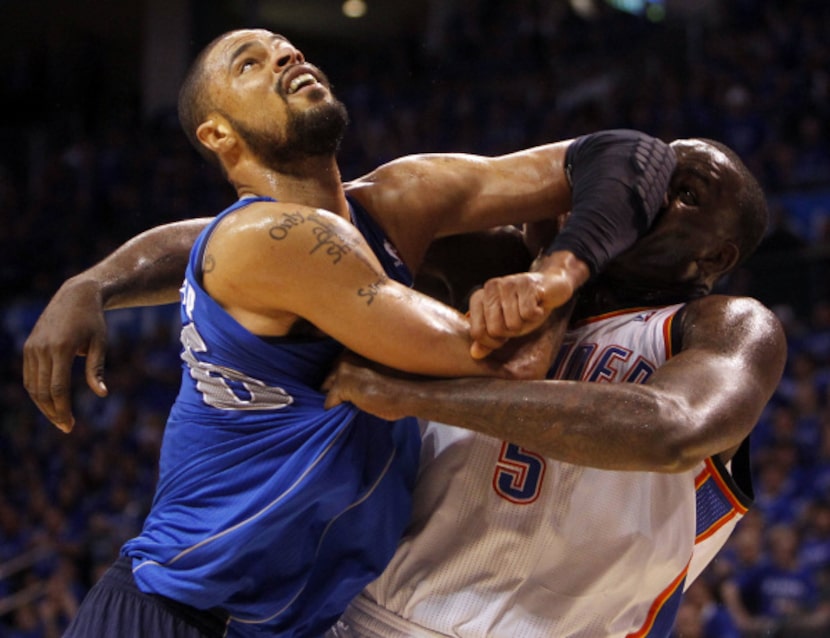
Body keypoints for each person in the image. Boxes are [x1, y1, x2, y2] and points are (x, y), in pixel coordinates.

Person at [22, 29, 677, 638]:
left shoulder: (386, 204)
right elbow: (508, 365)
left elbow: (633, 155)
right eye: (249, 63)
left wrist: (561, 265)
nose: (284, 57)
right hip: (175, 616)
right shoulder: (267, 239)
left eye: (287, 49)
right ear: (219, 136)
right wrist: (552, 272)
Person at [320, 138, 788, 637]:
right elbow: (352, 224)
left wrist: (410, 396)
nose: (649, 194)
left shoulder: (727, 325)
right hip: (362, 616)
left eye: (686, 194)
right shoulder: (506, 266)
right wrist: (552, 217)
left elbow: (671, 430)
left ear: (716, 256)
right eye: (650, 176)